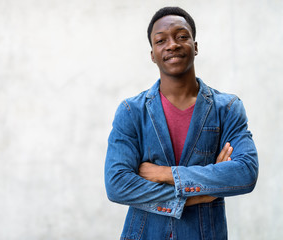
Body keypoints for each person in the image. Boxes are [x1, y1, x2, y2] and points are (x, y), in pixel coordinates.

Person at [104, 6, 258, 240]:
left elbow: (245, 172)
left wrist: (165, 174)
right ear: (153, 54)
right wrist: (200, 194)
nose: (172, 44)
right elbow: (117, 184)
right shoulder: (131, 112)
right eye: (161, 40)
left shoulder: (226, 108)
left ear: (195, 47)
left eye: (182, 36)